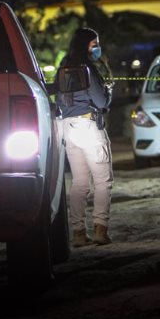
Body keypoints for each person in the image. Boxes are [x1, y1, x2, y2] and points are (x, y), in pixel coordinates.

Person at [56, 27, 114, 245]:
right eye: (94, 44)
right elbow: (101, 102)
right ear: (85, 45)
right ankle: (100, 230)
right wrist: (108, 90)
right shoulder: (87, 69)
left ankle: (78, 233)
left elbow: (61, 99)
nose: (97, 48)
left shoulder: (64, 65)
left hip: (69, 127)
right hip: (89, 127)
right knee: (103, 181)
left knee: (79, 183)